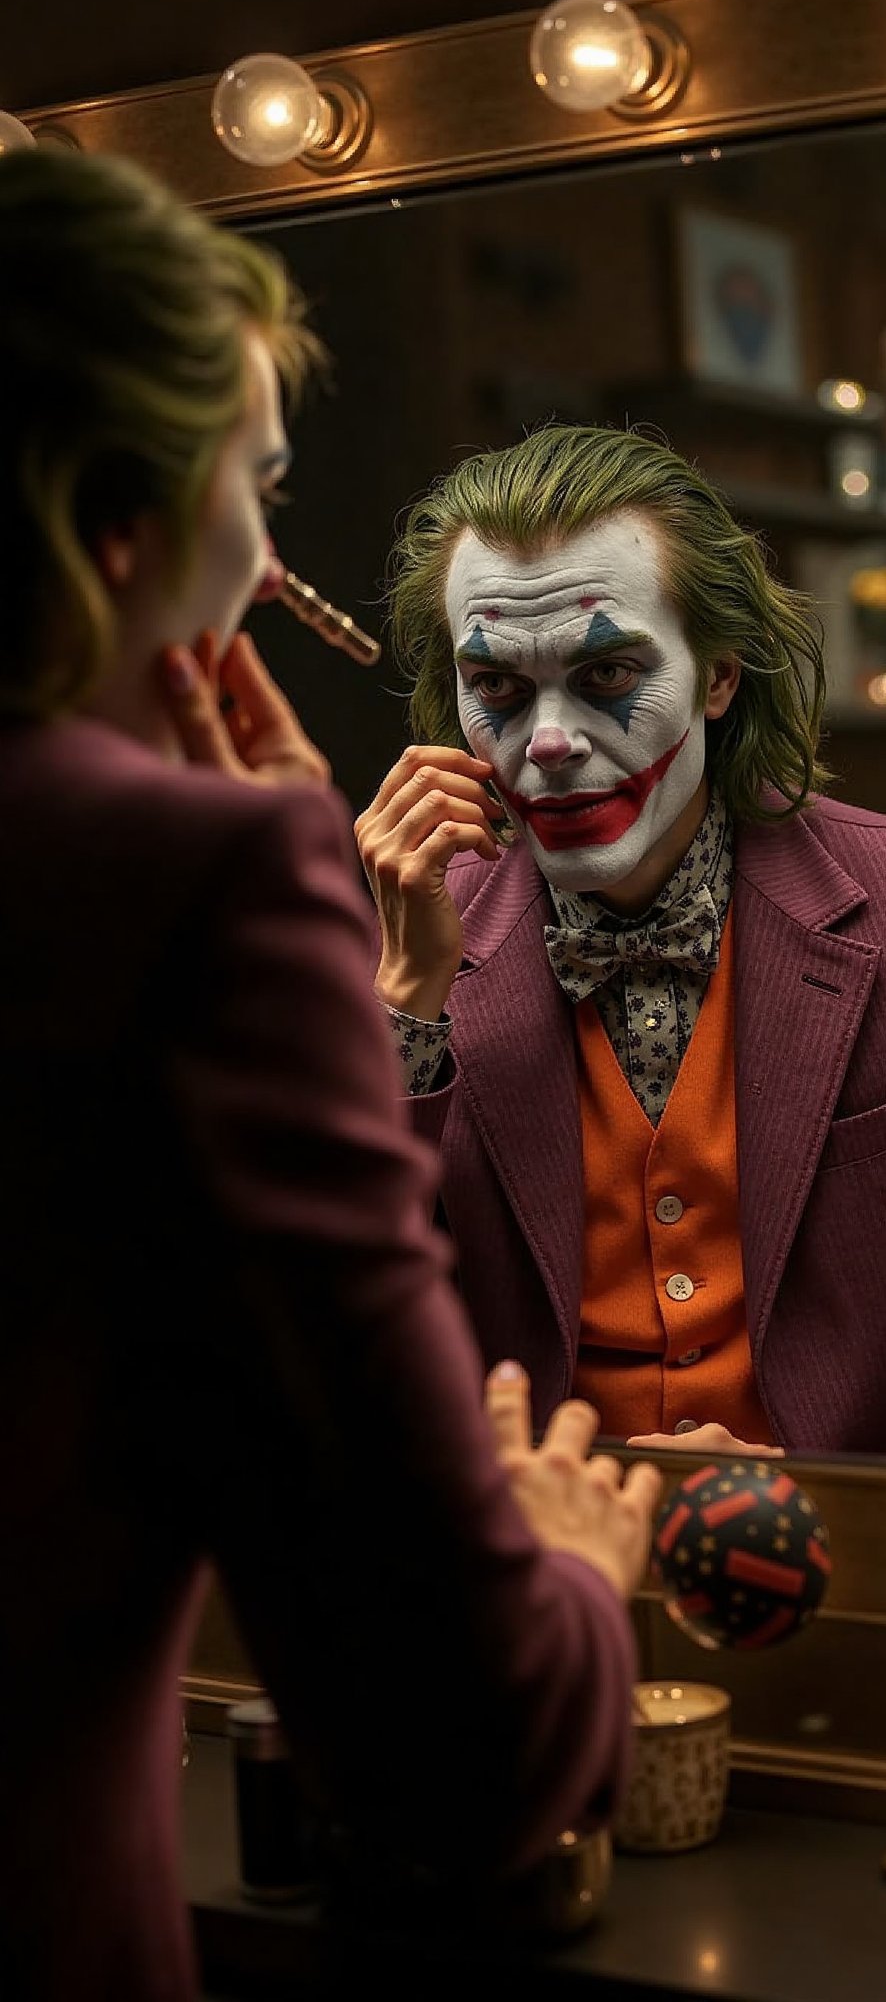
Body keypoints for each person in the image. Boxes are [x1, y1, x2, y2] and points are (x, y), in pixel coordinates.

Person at [0, 149, 662, 2002]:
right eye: (256, 486)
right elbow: (455, 1736)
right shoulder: (212, 891)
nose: (267, 562)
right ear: (125, 512)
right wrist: (573, 1564)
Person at [354, 421, 886, 1472]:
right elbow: (331, 1323)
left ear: (718, 674)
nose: (546, 743)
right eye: (498, 688)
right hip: (540, 1573)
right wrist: (406, 1002)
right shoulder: (409, 928)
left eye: (604, 674)